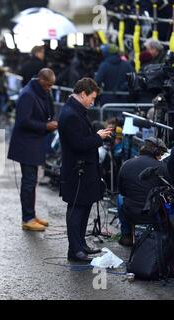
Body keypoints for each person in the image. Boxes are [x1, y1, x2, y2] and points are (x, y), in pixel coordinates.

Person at [58, 78, 113, 262]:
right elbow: (78, 144)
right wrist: (98, 137)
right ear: (83, 94)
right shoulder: (71, 113)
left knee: (84, 207)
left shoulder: (76, 110)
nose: (93, 102)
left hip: (83, 171)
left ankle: (80, 244)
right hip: (77, 172)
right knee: (76, 210)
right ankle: (75, 250)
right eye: (92, 97)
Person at [8, 68, 57, 231]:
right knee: (28, 182)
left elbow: (48, 112)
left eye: (51, 86)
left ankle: (31, 215)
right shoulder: (28, 94)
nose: (49, 88)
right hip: (25, 144)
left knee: (32, 180)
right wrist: (45, 126)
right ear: (40, 79)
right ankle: (27, 218)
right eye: (48, 85)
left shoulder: (42, 92)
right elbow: (23, 121)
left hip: (34, 142)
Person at [117, 137, 167, 247]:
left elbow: (121, 190)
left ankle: (126, 235)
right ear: (157, 152)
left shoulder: (126, 164)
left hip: (130, 212)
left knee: (120, 198)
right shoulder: (162, 167)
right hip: (153, 214)